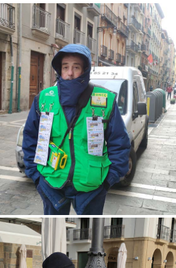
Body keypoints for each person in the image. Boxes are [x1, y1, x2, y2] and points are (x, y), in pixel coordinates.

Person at [22, 44, 131, 215]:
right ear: (59, 69)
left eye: (76, 67)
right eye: (65, 67)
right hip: (51, 181)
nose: (70, 73)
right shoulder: (43, 99)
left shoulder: (105, 99)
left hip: (92, 185)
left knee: (90, 233)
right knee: (54, 230)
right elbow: (30, 138)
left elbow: (120, 142)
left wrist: (109, 180)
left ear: (85, 70)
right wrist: (36, 177)